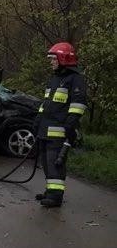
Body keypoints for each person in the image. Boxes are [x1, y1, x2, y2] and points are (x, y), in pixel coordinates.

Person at [32, 41, 87, 208]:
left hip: (59, 130)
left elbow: (78, 104)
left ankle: (56, 196)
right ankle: (50, 191)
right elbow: (46, 103)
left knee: (55, 161)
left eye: (53, 59)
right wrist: (38, 120)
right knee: (46, 162)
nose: (51, 62)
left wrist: (70, 124)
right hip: (45, 128)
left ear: (63, 59)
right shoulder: (55, 79)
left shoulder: (75, 79)